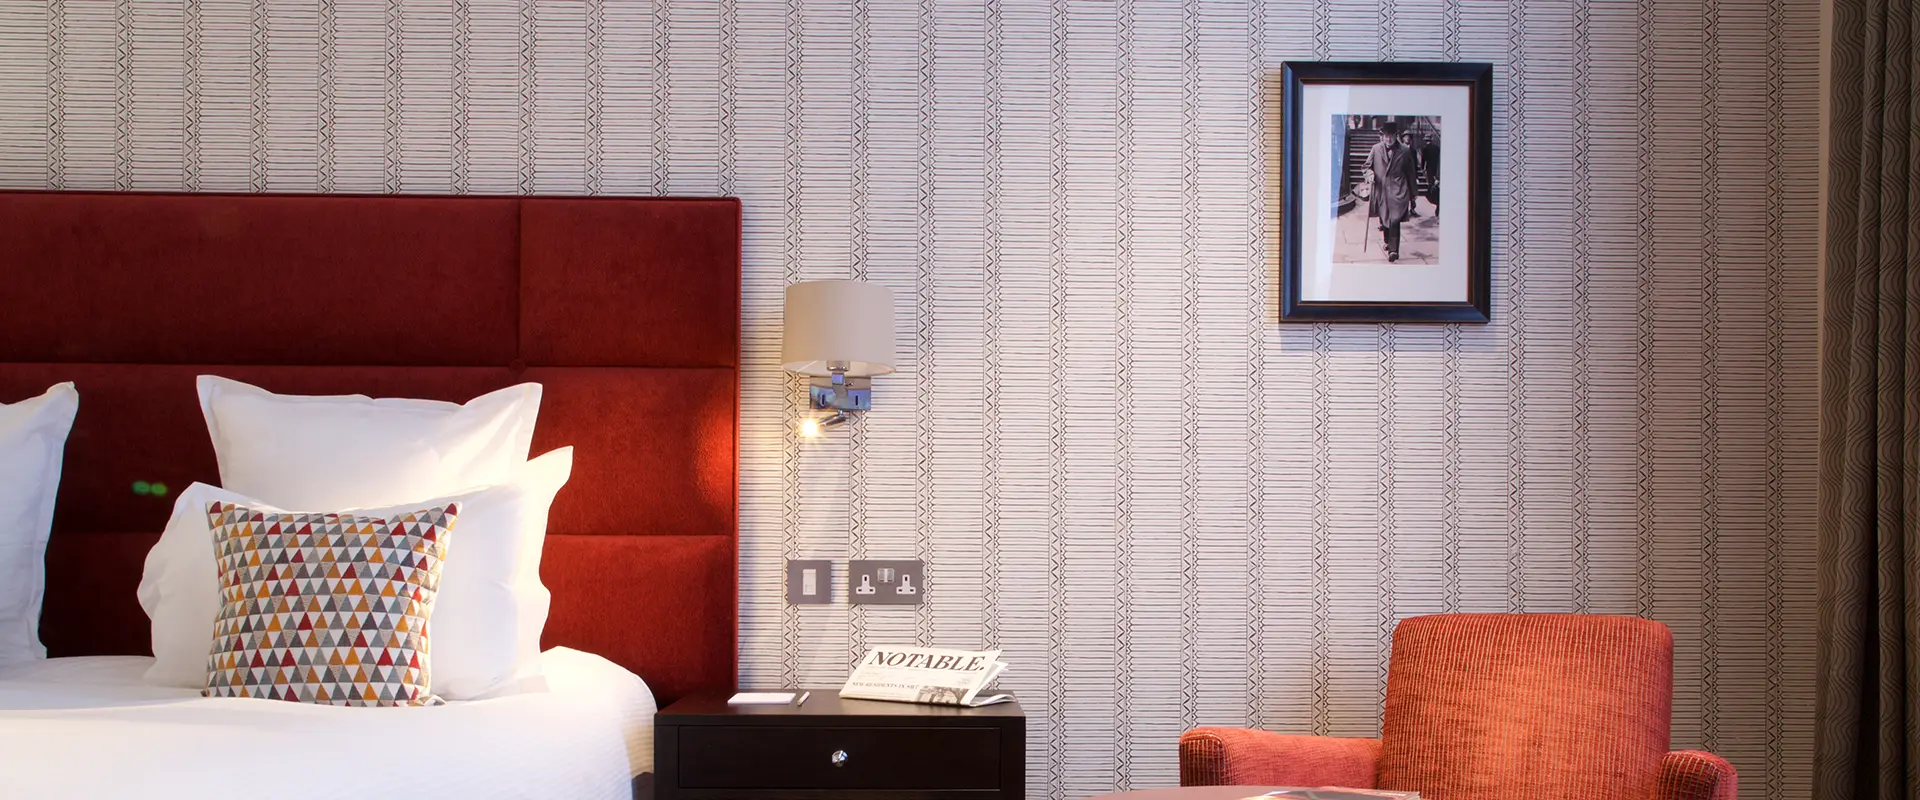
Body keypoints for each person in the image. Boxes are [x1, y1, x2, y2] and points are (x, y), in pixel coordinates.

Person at [1366, 120, 1419, 262]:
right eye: (1385, 136)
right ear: (1382, 136)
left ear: (1397, 135)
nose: (1388, 139)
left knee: (1394, 220)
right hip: (1381, 191)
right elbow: (1366, 167)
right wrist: (1369, 174)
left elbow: (1410, 172)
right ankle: (1387, 241)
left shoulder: (1405, 151)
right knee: (1385, 219)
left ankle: (1394, 251)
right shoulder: (1376, 149)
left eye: (1391, 136)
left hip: (1398, 190)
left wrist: (1413, 193)